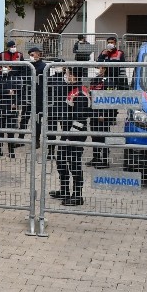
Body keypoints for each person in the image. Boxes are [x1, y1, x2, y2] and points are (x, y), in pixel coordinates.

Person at [49, 67, 90, 206]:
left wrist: (69, 137)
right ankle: (64, 190)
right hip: (67, 133)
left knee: (74, 164)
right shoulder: (71, 89)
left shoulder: (80, 93)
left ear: (74, 76)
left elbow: (80, 119)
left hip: (75, 134)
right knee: (60, 159)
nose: (66, 76)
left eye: (68, 74)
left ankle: (77, 195)